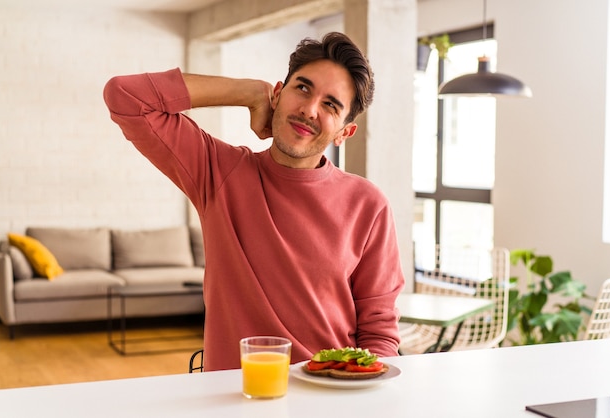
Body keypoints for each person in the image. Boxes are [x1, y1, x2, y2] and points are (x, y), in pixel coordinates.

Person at [103, 32, 405, 371]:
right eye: (302, 88)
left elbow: (379, 329)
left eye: (330, 105)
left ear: (343, 133)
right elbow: (126, 96)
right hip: (234, 396)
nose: (308, 110)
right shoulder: (219, 173)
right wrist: (248, 92)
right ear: (278, 93)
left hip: (331, 393)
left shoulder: (368, 204)